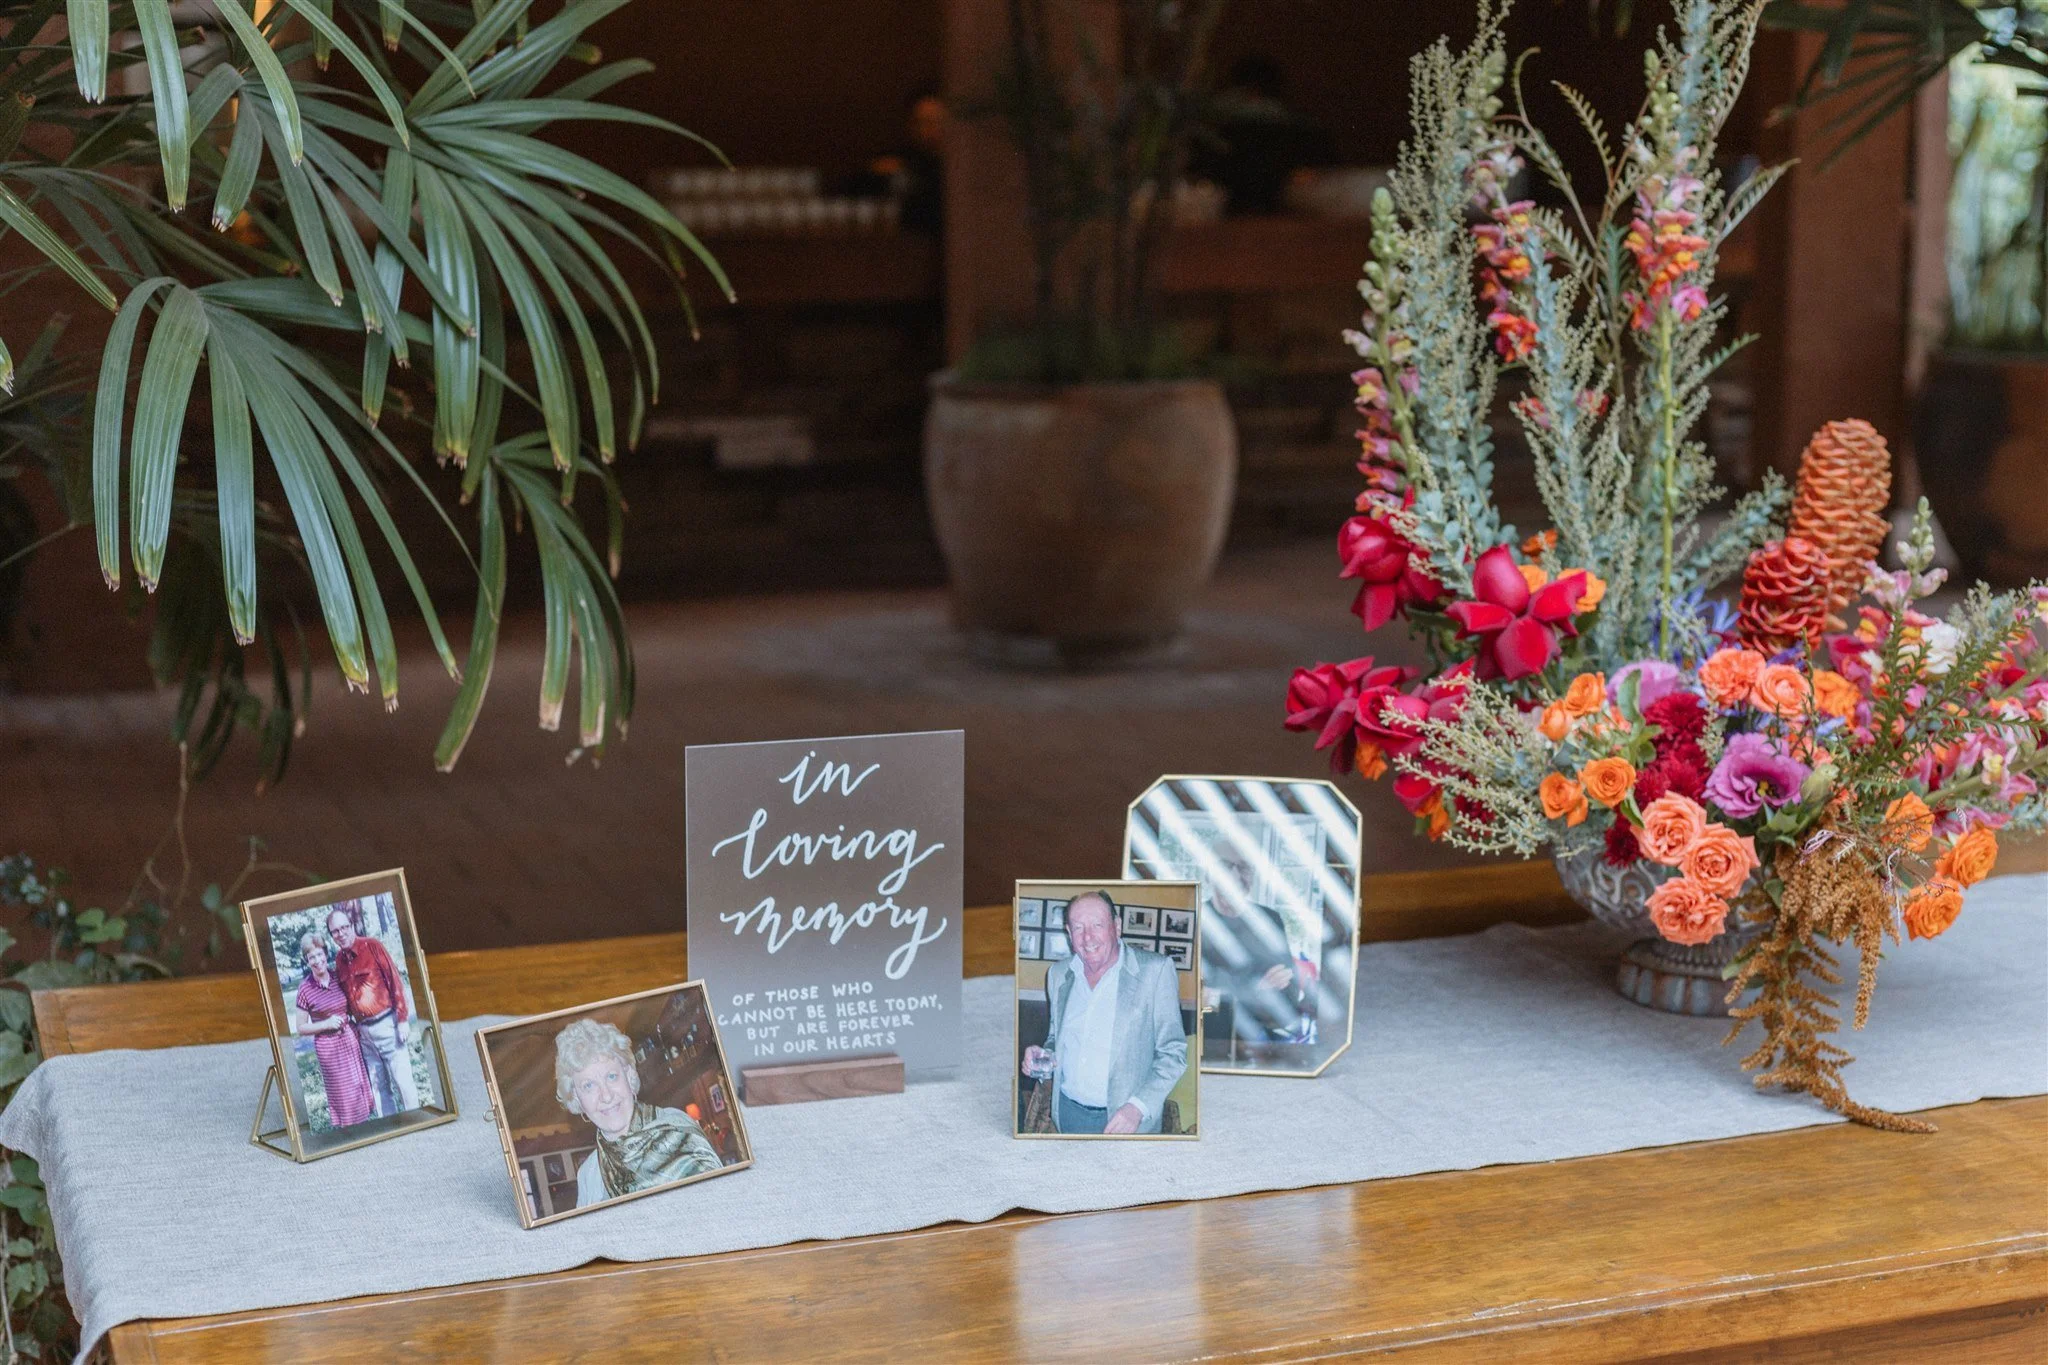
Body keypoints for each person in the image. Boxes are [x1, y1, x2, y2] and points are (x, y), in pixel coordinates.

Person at [1019, 891, 1187, 1135]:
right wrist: (1043, 1056)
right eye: (1078, 927)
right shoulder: (1058, 975)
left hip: (1126, 1123)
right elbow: (1056, 1038)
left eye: (1097, 925)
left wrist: (1137, 1108)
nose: (1087, 937)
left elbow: (1173, 1053)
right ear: (1069, 932)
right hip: (1066, 1114)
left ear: (1116, 927)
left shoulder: (1155, 971)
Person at [555, 1018, 723, 1207]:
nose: (606, 1096)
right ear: (577, 1099)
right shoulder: (589, 1174)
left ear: (629, 1076)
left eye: (612, 1076)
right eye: (589, 1086)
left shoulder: (675, 1128)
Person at [328, 902, 420, 1117]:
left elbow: (395, 981)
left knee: (403, 1081)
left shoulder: (372, 946)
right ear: (332, 935)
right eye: (335, 931)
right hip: (364, 1033)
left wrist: (403, 1020)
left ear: (352, 926)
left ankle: (416, 1121)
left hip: (387, 1025)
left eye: (344, 927)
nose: (341, 934)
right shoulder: (339, 960)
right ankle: (390, 1126)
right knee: (379, 1088)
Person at [291, 930, 375, 1128]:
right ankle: (347, 1130)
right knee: (342, 1091)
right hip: (327, 1047)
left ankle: (365, 1126)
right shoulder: (305, 988)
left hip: (349, 1038)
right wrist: (326, 1024)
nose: (317, 960)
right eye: (312, 957)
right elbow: (301, 1028)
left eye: (319, 954)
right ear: (306, 961)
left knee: (357, 1084)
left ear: (326, 953)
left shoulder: (339, 977)